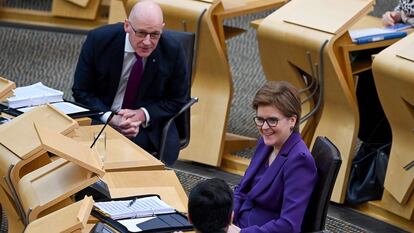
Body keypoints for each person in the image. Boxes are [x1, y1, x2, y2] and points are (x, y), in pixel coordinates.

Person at [72, 0, 188, 165]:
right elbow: (81, 91)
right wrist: (111, 118)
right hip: (102, 114)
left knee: (129, 158)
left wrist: (142, 114)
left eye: (154, 34)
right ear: (127, 26)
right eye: (141, 33)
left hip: (147, 126)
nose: (147, 42)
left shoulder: (173, 51)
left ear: (162, 28)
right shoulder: (98, 40)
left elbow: (177, 99)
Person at [232, 81, 318, 233]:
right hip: (236, 223)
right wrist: (228, 213)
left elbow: (289, 225)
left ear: (292, 120)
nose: (264, 128)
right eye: (260, 119)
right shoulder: (265, 143)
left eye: (272, 120)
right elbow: (242, 188)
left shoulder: (300, 161)